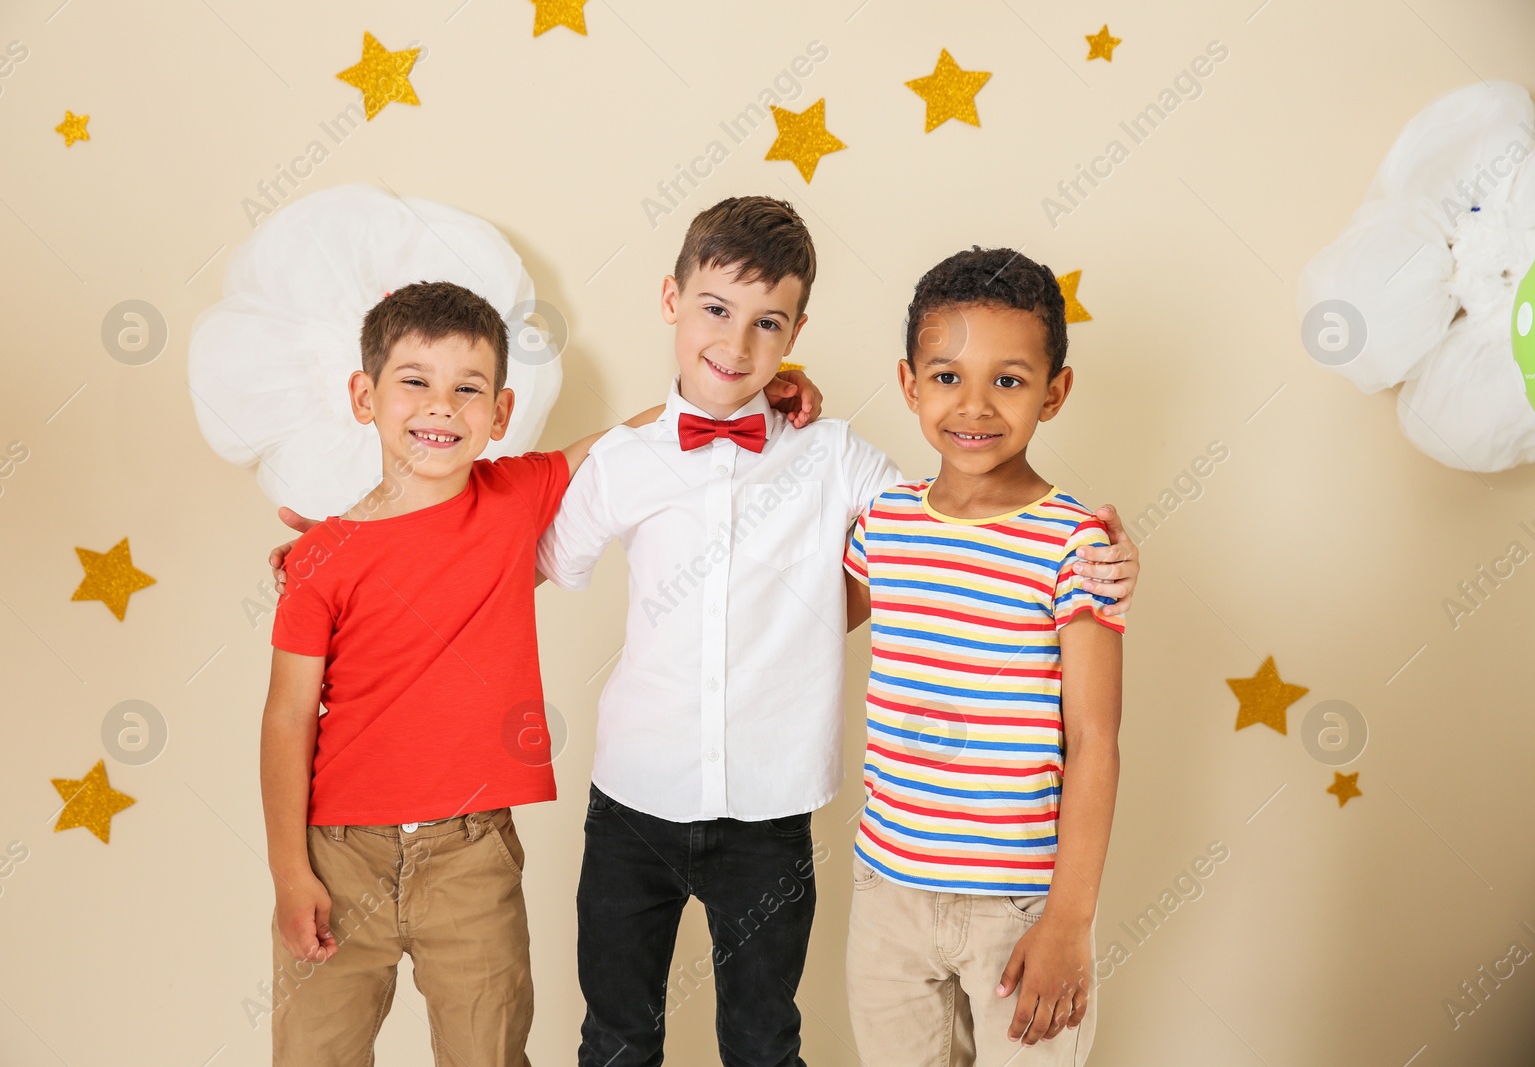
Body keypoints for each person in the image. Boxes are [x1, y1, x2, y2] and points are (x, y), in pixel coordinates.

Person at [536, 200, 1141, 1066]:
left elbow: (945, 556)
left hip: (821, 827)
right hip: (660, 809)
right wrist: (359, 538)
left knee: (762, 1038)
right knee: (618, 1037)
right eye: (715, 311)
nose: (738, 345)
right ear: (671, 299)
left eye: (767, 325)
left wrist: (1110, 556)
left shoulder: (847, 466)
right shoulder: (643, 466)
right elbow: (524, 553)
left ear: (796, 332)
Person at [259, 280, 817, 1066]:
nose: (441, 407)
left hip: (469, 854)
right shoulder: (321, 556)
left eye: (468, 389)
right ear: (365, 395)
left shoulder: (517, 494)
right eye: (414, 381)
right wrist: (290, 871)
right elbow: (286, 716)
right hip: (337, 854)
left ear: (501, 411)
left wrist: (752, 390)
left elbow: (650, 431)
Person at [842, 247, 1124, 1066]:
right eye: (946, 377)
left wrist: (1067, 920)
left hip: (1021, 903)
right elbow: (798, 631)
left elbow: (1096, 740)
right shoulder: (885, 522)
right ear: (908, 384)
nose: (974, 405)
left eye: (1008, 379)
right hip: (888, 892)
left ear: (1054, 392)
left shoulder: (1076, 542)